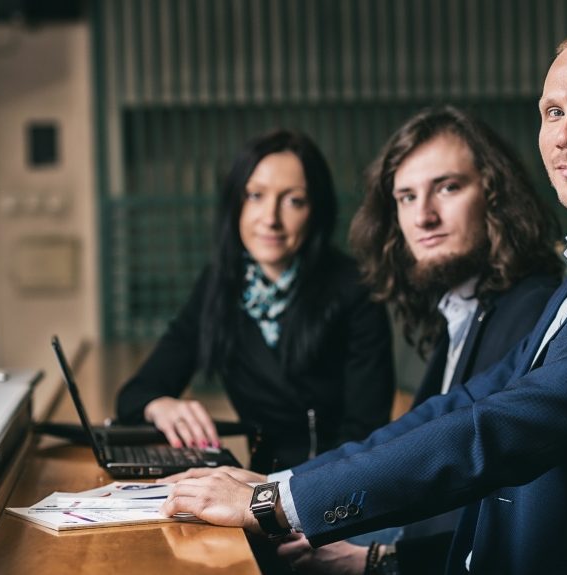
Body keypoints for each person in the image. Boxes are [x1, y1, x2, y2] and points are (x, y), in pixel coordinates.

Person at [160, 24, 567, 575]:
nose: (566, 135)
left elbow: (501, 429)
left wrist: (274, 505)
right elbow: (464, 406)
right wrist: (282, 485)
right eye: (552, 112)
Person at [274, 106, 563, 574]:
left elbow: (501, 508)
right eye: (406, 198)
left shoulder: (531, 310)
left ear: (495, 196)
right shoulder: (463, 307)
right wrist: (276, 489)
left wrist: (376, 561)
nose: (423, 217)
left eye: (448, 188)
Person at [116, 129, 395, 473]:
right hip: (256, 487)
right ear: (235, 203)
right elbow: (134, 395)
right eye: (255, 196)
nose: (271, 218)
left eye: (294, 200)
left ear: (316, 211)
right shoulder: (219, 285)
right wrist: (160, 406)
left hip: (334, 492)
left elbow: (365, 435)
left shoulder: (355, 289)